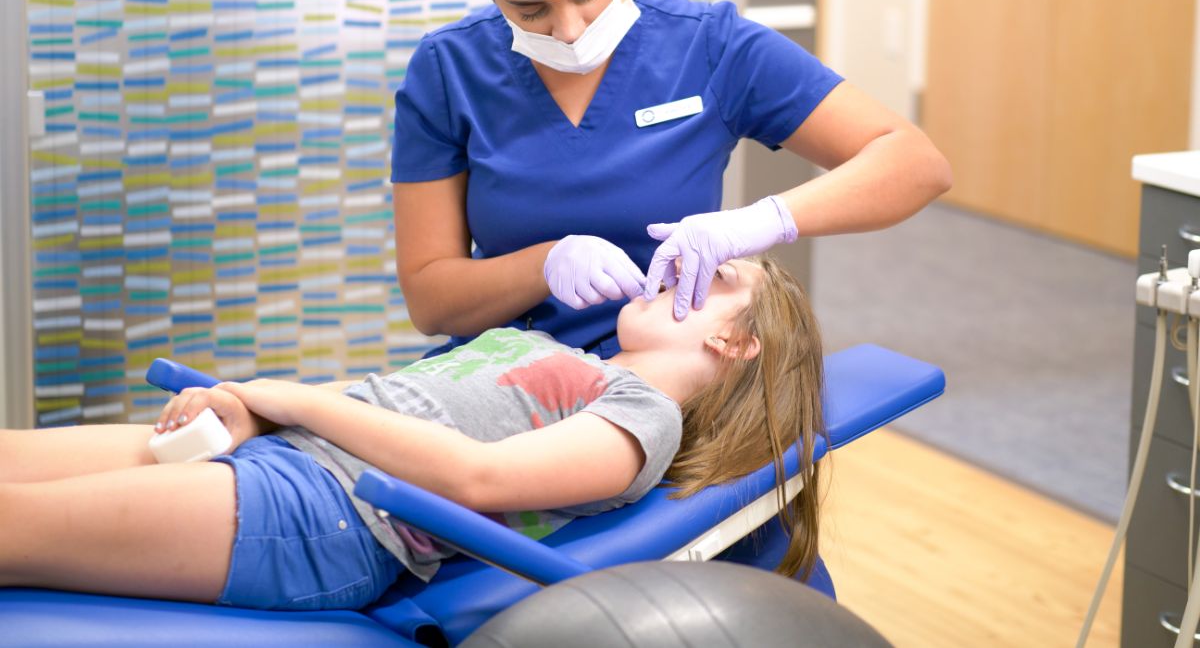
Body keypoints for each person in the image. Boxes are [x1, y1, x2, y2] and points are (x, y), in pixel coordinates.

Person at [392, 0, 952, 360]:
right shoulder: (449, 69)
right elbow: (430, 301)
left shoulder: (708, 48)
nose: (569, 29)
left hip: (660, 381)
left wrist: (759, 221)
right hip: (501, 379)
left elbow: (914, 164)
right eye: (529, 9)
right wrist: (542, 265)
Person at [0, 255, 825, 610]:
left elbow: (477, 482)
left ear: (734, 341)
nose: (674, 268)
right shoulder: (567, 352)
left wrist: (293, 399)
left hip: (326, 517)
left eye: (712, 279)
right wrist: (256, 408)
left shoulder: (641, 420)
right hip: (284, 454)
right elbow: (393, 400)